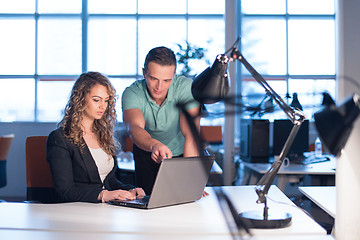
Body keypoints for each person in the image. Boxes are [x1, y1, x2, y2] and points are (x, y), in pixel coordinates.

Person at [47, 72, 145, 203]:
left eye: (106, 100)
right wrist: (103, 195)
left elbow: (108, 180)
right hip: (77, 211)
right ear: (80, 99)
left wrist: (130, 190)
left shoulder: (102, 134)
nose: (103, 106)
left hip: (105, 210)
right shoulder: (60, 138)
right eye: (96, 100)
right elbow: (65, 191)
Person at [122, 46, 201, 195]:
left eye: (166, 80)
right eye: (153, 79)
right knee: (147, 201)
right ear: (144, 72)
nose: (159, 87)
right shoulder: (132, 92)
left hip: (181, 153)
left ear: (174, 75)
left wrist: (191, 177)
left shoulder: (186, 88)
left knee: (184, 198)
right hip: (146, 151)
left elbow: (191, 134)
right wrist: (155, 145)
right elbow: (134, 128)